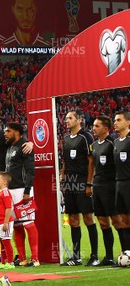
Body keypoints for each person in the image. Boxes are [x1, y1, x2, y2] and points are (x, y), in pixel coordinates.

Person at [60, 111, 99, 266]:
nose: (66, 120)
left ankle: (94, 256)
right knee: (74, 220)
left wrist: (89, 184)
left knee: (88, 218)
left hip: (82, 180)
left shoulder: (86, 137)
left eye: (70, 118)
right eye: (66, 118)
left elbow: (91, 162)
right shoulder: (66, 138)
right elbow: (64, 162)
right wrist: (63, 180)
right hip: (70, 182)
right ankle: (76, 257)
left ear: (79, 120)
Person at [4, 122, 39, 267]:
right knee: (17, 226)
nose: (5, 133)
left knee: (28, 223)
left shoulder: (25, 146)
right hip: (11, 190)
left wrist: (27, 190)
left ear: (17, 132)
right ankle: (23, 258)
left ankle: (35, 259)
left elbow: (30, 170)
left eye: (8, 131)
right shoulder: (11, 146)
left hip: (22, 190)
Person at [91, 115, 123, 266]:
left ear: (105, 128)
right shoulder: (95, 145)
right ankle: (109, 256)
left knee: (117, 221)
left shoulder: (112, 143)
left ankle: (125, 253)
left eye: (97, 126)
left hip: (110, 186)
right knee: (103, 222)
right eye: (94, 125)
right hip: (97, 186)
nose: (93, 128)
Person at [113, 111, 130, 254]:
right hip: (119, 184)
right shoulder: (116, 142)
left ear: (128, 122)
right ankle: (126, 253)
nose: (115, 122)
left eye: (119, 120)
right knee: (123, 220)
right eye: (114, 120)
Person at [0, 172, 15, 269]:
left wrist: (5, 222)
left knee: (6, 241)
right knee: (2, 242)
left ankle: (10, 262)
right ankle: (3, 261)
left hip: (4, 222)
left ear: (4, 182)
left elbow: (8, 208)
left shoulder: (5, 192)